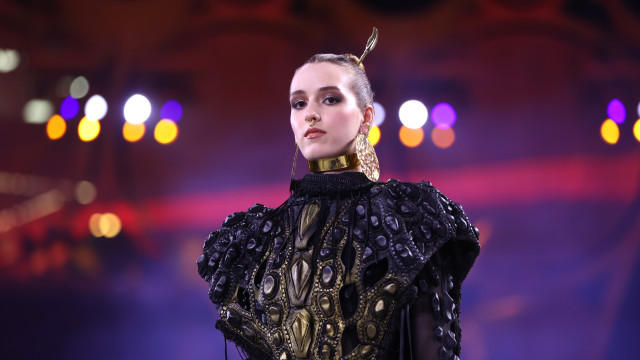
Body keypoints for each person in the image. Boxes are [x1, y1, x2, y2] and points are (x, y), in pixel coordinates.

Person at [197, 28, 480, 360]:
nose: (310, 113)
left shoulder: (411, 220)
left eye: (330, 98)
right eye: (298, 103)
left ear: (366, 116)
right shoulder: (255, 237)